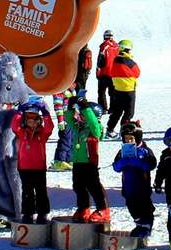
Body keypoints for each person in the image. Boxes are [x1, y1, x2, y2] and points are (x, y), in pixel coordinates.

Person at [65, 94, 109, 224]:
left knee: (93, 186)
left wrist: (85, 107)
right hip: (78, 163)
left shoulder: (96, 130)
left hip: (90, 163)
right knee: (78, 186)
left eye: (82, 115)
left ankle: (103, 209)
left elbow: (93, 123)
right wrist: (70, 107)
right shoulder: (79, 129)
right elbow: (69, 120)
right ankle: (83, 208)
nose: (80, 117)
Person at [112, 121, 158, 238]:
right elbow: (116, 167)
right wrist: (124, 161)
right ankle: (139, 225)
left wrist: (135, 161)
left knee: (144, 207)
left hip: (142, 187)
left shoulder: (145, 150)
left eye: (131, 138)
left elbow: (151, 165)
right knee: (132, 207)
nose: (128, 141)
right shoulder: (122, 152)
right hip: (129, 187)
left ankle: (146, 226)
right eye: (126, 138)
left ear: (137, 138)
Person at [13, 99, 54, 224]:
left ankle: (42, 214)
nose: (32, 123)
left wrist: (45, 113)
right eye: (29, 120)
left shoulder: (43, 133)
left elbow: (49, 127)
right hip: (24, 168)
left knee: (41, 191)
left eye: (35, 121)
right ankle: (28, 214)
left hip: (39, 168)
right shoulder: (22, 132)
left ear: (39, 121)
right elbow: (14, 125)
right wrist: (19, 112)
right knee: (27, 192)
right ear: (25, 121)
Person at [106, 39, 140, 136]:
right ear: (127, 50)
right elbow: (137, 73)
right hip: (129, 90)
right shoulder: (129, 61)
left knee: (117, 111)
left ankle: (110, 129)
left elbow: (112, 72)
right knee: (129, 113)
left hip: (117, 90)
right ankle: (124, 130)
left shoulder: (115, 60)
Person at [95, 30, 119, 111]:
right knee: (112, 93)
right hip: (114, 74)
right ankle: (113, 108)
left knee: (101, 92)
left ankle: (103, 108)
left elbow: (100, 62)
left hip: (104, 73)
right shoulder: (117, 47)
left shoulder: (104, 46)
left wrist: (97, 73)